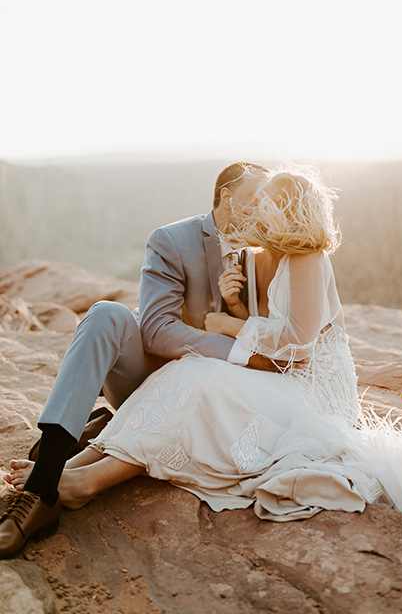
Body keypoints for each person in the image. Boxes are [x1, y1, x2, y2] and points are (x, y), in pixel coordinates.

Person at [7, 165, 402, 576]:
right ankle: (63, 467)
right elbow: (227, 325)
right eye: (254, 202)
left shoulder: (308, 255)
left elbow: (297, 343)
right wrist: (235, 303)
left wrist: (226, 320)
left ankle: (85, 480)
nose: (257, 212)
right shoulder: (250, 254)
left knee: (200, 381)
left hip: (315, 386)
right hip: (267, 370)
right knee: (190, 376)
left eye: (267, 204)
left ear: (286, 211)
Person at [0, 161, 270, 559]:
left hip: (216, 395)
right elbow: (158, 330)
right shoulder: (172, 240)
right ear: (226, 197)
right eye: (254, 201)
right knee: (106, 313)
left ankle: (105, 427)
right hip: (151, 379)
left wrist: (235, 317)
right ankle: (44, 489)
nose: (262, 213)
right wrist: (236, 348)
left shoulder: (263, 253)